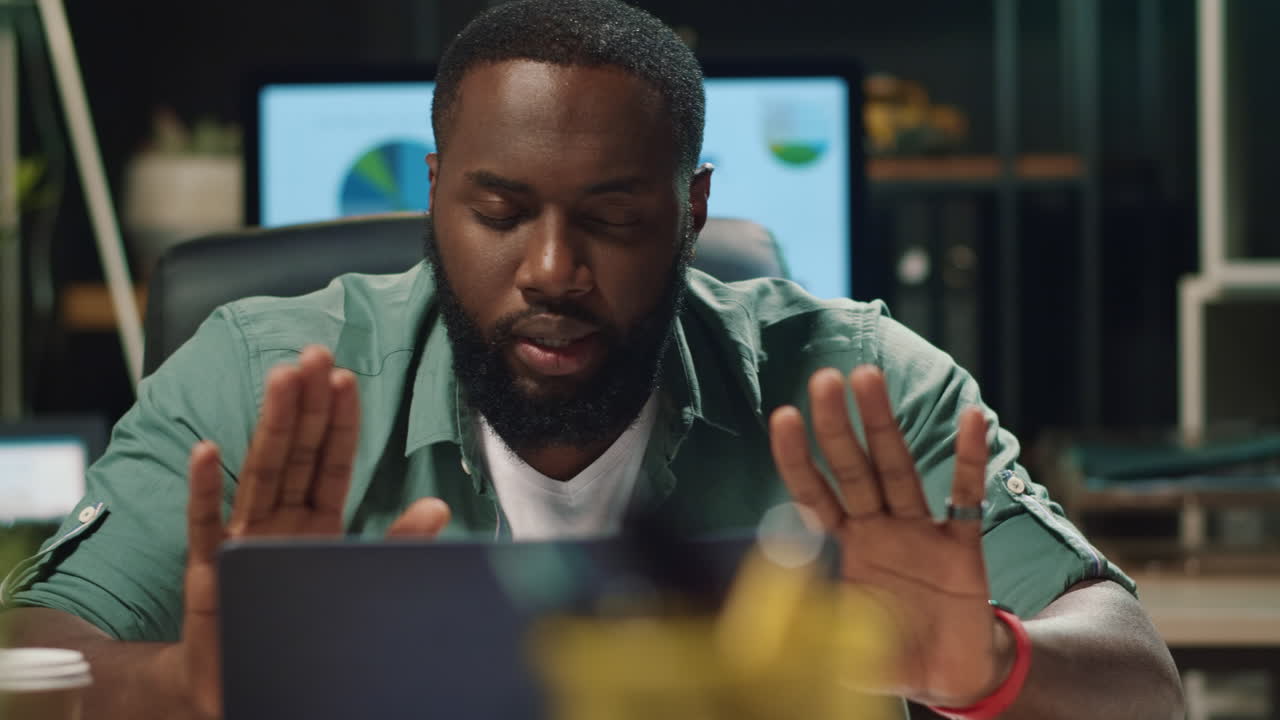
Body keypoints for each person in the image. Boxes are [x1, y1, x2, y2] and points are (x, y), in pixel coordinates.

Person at [1, 1, 1181, 718]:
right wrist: (183, 692)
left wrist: (986, 667)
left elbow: (1141, 684)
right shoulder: (258, 381)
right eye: (499, 211)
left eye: (611, 217)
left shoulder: (857, 388)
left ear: (689, 210)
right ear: (433, 196)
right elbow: (32, 659)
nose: (553, 269)